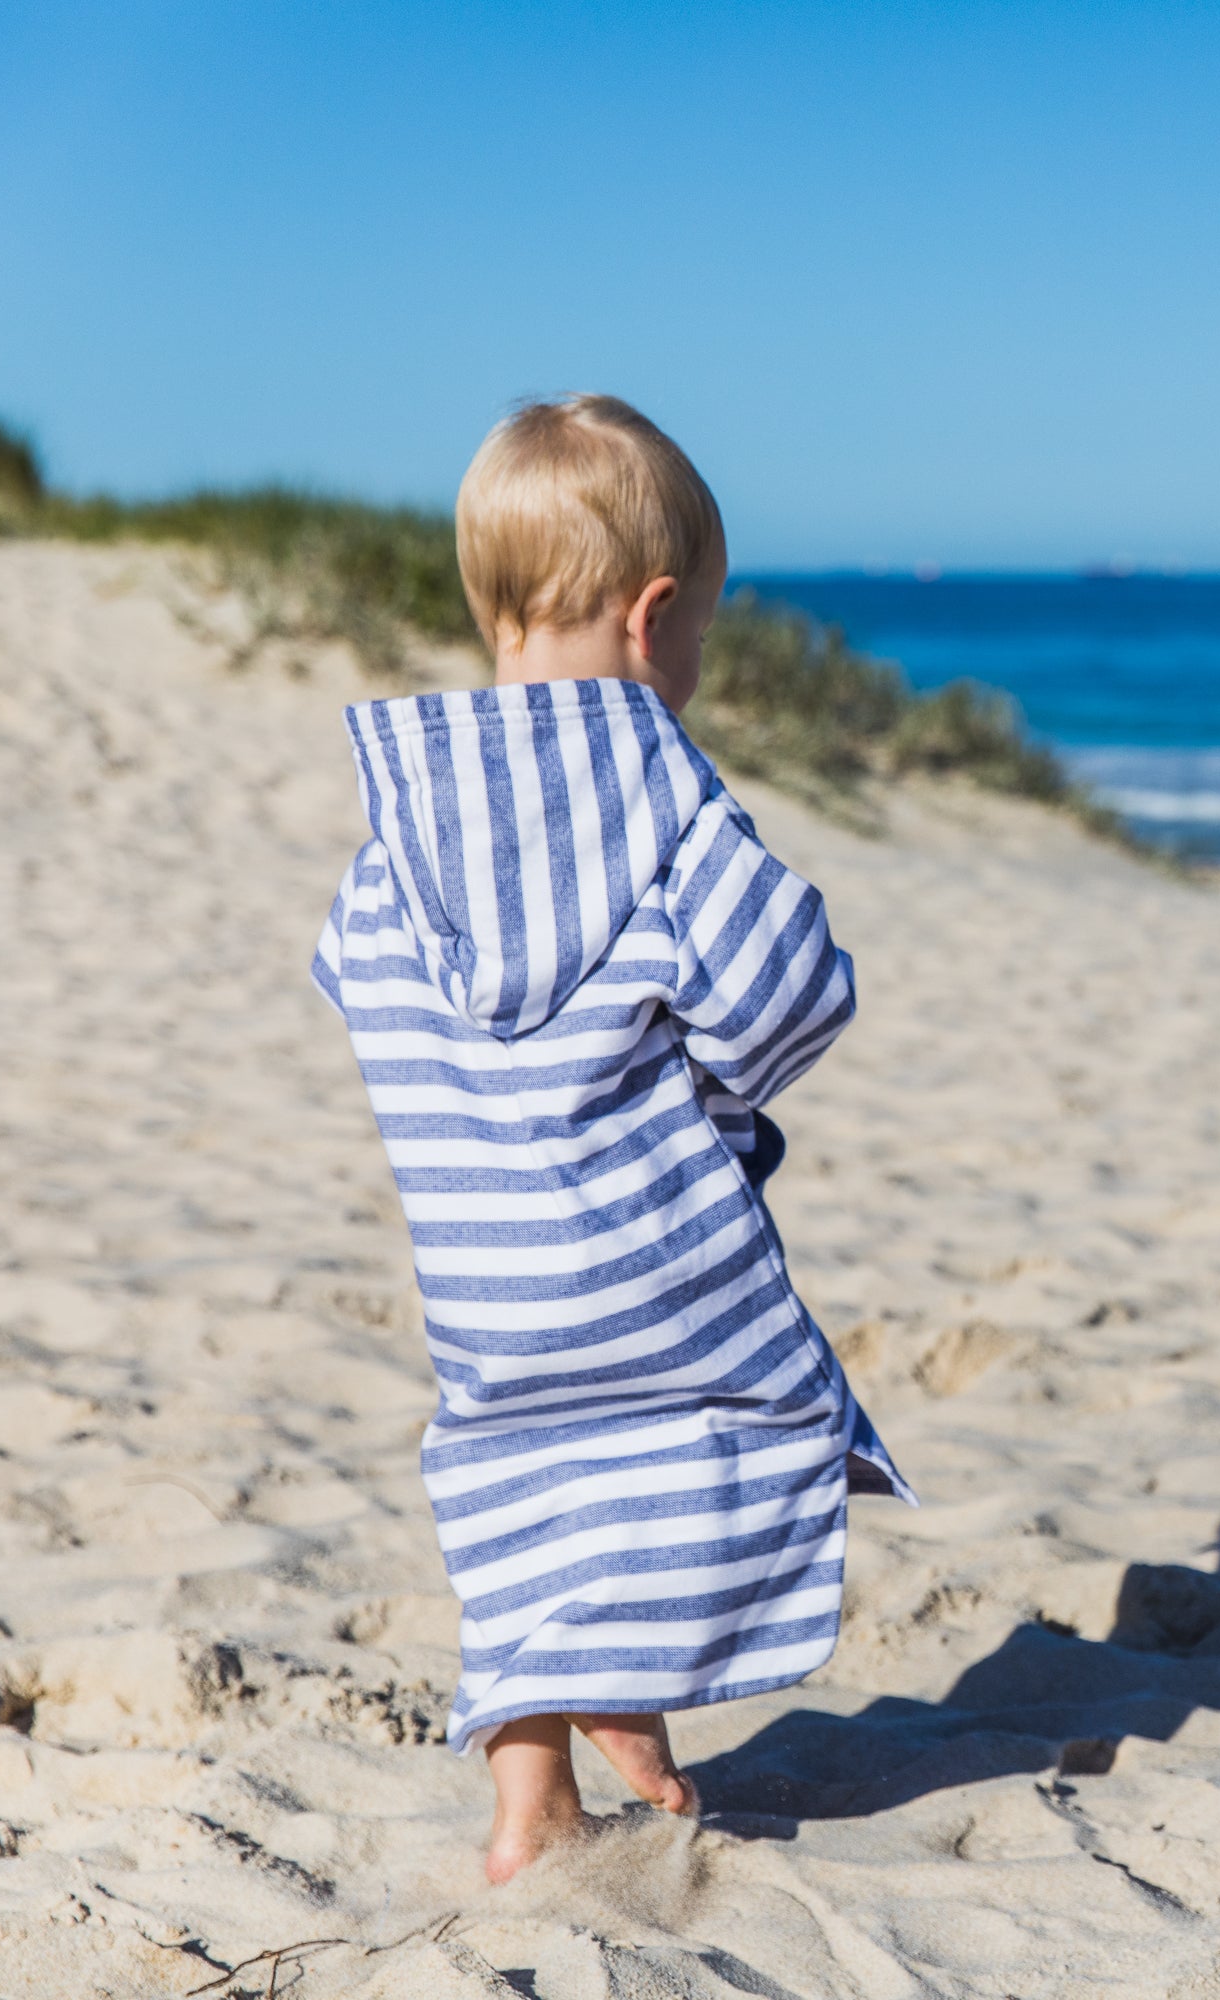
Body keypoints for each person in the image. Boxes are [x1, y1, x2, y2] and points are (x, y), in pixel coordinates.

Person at [310, 394, 911, 1883]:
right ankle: (631, 1679)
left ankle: (533, 1807)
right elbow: (792, 993)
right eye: (701, 637)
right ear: (653, 621)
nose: (695, 668)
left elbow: (354, 975)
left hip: (482, 1263)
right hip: (648, 1243)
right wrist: (723, 1082)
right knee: (739, 1424)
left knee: (515, 1482)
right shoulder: (665, 800)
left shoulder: (405, 821)